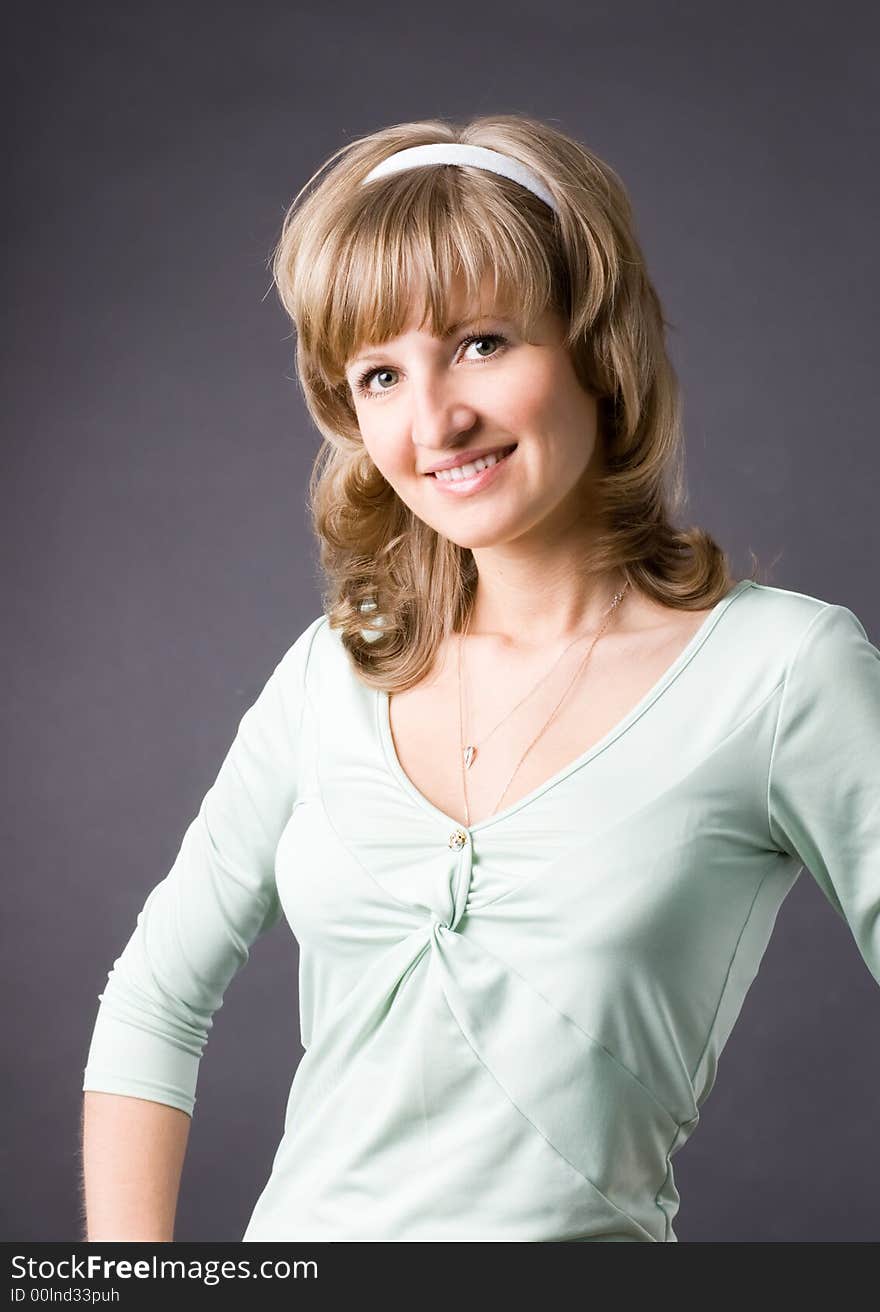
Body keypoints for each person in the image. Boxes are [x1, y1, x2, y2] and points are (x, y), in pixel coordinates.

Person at [80, 114, 880, 1243]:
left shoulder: (781, 673)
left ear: (595, 347)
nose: (434, 420)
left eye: (481, 343)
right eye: (379, 373)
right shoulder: (331, 673)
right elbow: (153, 1001)